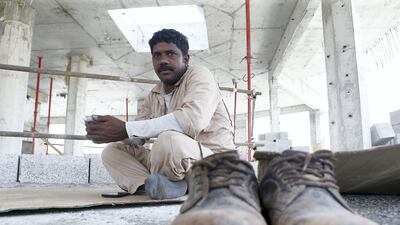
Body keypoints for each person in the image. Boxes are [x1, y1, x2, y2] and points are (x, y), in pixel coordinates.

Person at [85, 29, 235, 200]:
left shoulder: (200, 75)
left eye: (170, 54)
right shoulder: (154, 95)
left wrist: (126, 128)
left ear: (185, 59)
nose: (163, 60)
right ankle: (149, 185)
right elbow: (136, 137)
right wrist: (106, 130)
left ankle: (173, 184)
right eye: (157, 55)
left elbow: (192, 121)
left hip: (213, 163)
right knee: (112, 151)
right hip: (175, 164)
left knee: (168, 139)